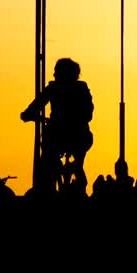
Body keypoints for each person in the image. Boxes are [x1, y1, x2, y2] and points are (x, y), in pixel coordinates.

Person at [21, 58, 94, 192]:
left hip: (62, 136)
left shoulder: (54, 88)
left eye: (56, 72)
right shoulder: (81, 88)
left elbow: (37, 104)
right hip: (80, 136)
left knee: (46, 160)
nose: (54, 75)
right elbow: (89, 113)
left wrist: (27, 115)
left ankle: (49, 186)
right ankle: (77, 170)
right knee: (77, 158)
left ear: (62, 74)